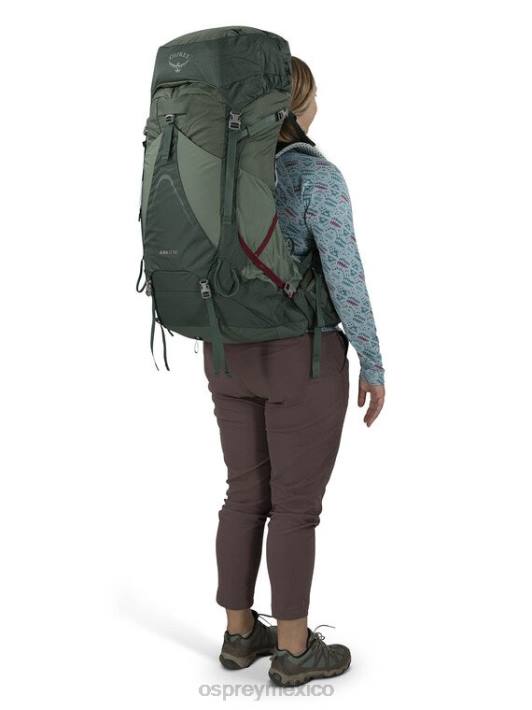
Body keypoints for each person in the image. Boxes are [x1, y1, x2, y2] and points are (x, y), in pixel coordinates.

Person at [202, 56, 386, 687]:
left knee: (243, 495)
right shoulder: (314, 176)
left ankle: (238, 636)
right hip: (299, 360)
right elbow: (345, 275)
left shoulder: (216, 172)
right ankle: (293, 649)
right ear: (298, 106)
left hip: (226, 355)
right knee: (295, 508)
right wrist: (372, 359)